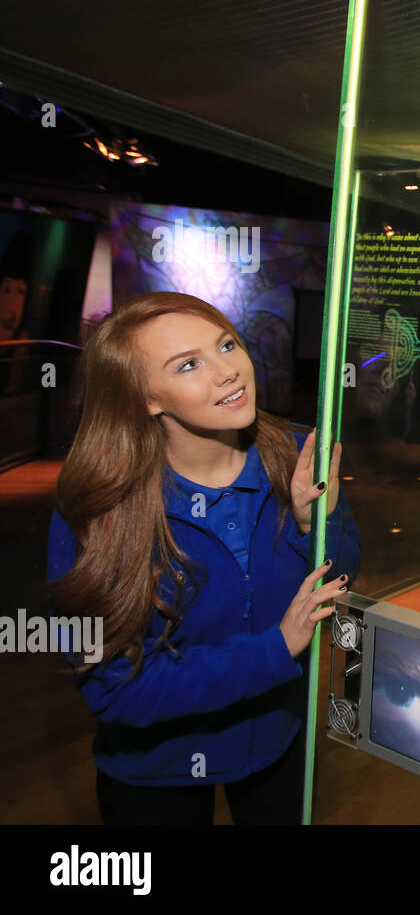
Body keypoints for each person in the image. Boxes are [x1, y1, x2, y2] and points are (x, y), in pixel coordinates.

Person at [46, 291, 361, 824]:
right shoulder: (97, 510)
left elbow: (346, 573)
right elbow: (113, 686)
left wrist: (315, 525)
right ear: (145, 397)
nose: (228, 372)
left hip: (277, 740)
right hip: (153, 766)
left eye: (227, 344)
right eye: (189, 364)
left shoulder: (297, 453)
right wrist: (274, 649)